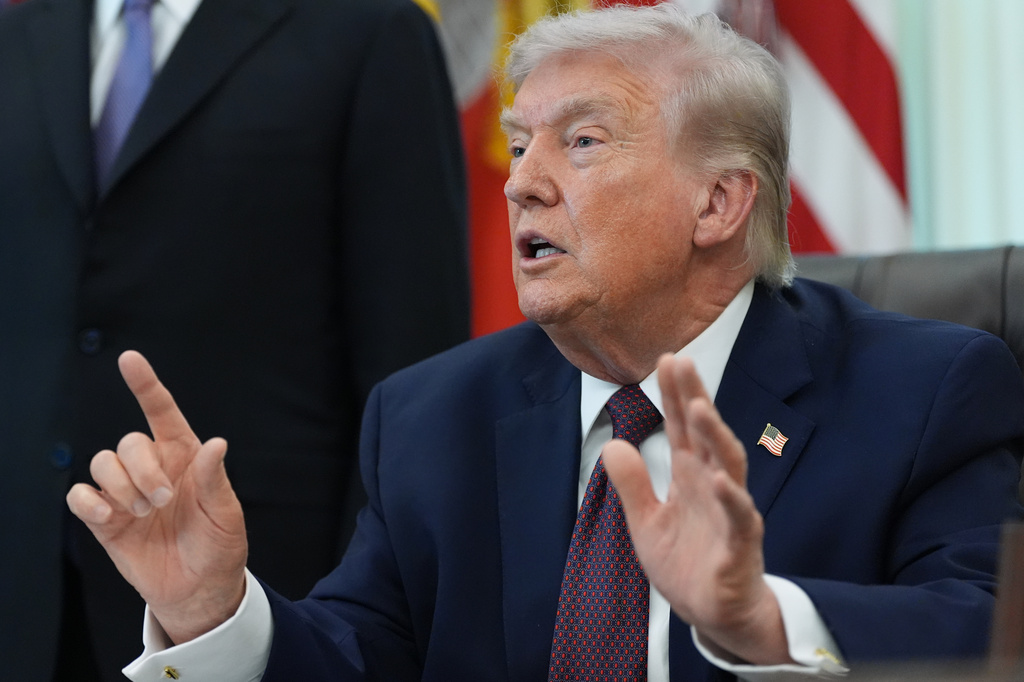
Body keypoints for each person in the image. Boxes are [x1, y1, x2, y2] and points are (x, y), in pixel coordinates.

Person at [67, 4, 1024, 681]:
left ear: (721, 201)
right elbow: (361, 657)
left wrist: (763, 621)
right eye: (520, 144)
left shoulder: (927, 389)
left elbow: (990, 632)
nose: (522, 182)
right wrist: (214, 612)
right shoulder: (431, 414)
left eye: (584, 142)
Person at [0, 0, 469, 679]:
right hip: (25, 589)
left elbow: (413, 357)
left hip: (269, 591)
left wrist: (360, 613)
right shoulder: (19, 31)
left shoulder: (369, 31)